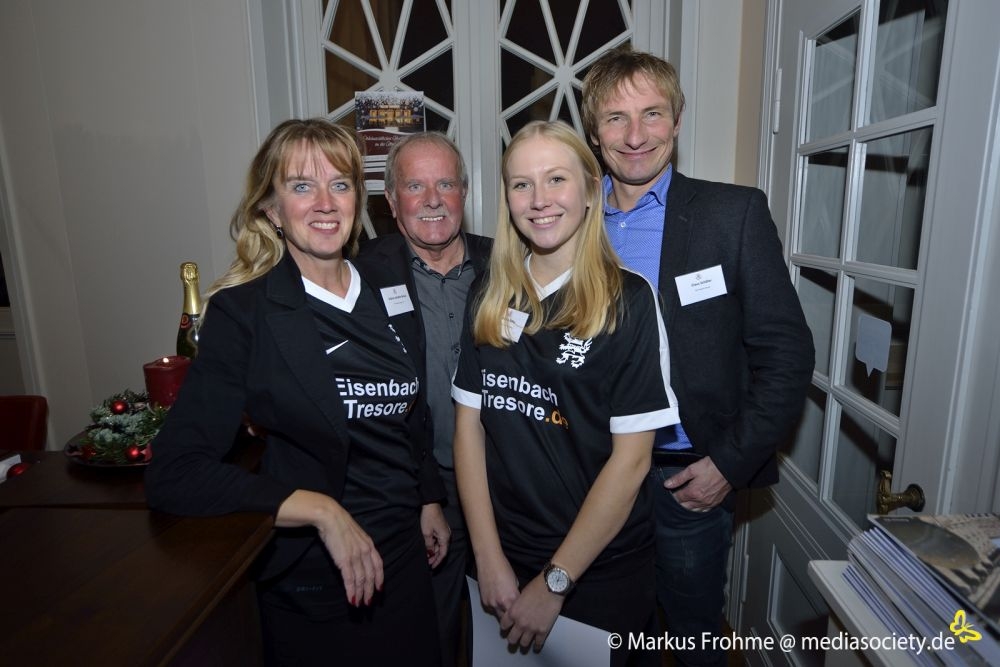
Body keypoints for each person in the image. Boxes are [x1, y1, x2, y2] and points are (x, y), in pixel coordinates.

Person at [144, 118, 449, 666]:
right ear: (271, 208)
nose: (325, 203)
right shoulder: (245, 314)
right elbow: (176, 472)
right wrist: (320, 510)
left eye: (340, 184)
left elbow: (410, 414)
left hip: (405, 561)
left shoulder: (390, 287)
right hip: (316, 578)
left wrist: (428, 497)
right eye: (302, 186)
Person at [581, 46, 815, 666]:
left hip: (684, 481)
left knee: (692, 639)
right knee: (602, 634)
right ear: (593, 132)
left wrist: (729, 464)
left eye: (652, 114)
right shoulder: (568, 219)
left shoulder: (730, 214)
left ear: (678, 121)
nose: (636, 136)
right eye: (615, 118)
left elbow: (787, 353)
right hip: (586, 477)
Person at [452, 120, 680, 667]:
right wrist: (488, 557)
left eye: (556, 179)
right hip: (503, 554)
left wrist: (556, 582)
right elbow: (468, 429)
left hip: (597, 569)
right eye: (521, 184)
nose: (539, 199)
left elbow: (631, 462)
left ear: (590, 191)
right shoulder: (489, 292)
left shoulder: (629, 300)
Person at [354, 131, 492, 667]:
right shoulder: (362, 277)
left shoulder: (507, 265)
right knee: (429, 634)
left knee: (510, 632)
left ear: (464, 193)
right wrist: (421, 495)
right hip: (417, 489)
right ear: (392, 201)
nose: (433, 200)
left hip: (505, 487)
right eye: (415, 186)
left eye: (446, 184)